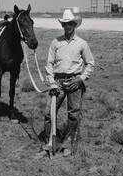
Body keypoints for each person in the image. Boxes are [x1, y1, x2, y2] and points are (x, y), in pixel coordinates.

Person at [40, 9, 95, 157]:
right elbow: (49, 64)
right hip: (57, 82)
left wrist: (81, 79)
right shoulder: (56, 42)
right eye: (65, 24)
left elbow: (90, 63)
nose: (67, 26)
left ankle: (68, 143)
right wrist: (51, 82)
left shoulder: (82, 44)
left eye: (70, 24)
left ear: (74, 25)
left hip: (74, 82)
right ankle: (50, 143)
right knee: (48, 113)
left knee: (74, 114)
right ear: (62, 25)